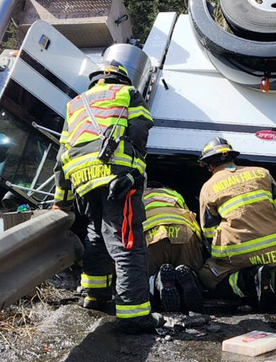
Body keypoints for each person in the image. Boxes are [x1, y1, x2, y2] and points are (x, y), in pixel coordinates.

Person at [54, 62, 161, 333]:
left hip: (82, 179)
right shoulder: (127, 93)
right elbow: (138, 130)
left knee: (96, 234)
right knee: (127, 243)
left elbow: (62, 154)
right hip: (116, 176)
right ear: (120, 78)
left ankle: (95, 294)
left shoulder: (75, 104)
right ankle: (134, 314)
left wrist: (63, 201)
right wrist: (131, 171)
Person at [197, 138, 276, 310]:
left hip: (238, 255)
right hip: (273, 250)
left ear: (209, 165)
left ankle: (249, 282)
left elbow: (209, 233)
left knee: (206, 277)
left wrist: (214, 259)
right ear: (232, 158)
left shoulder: (208, 187)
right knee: (275, 264)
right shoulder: (262, 173)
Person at [143, 187, 204, 312]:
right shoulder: (175, 194)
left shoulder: (135, 196)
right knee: (189, 267)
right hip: (183, 231)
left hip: (151, 235)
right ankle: (188, 275)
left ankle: (158, 281)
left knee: (145, 276)